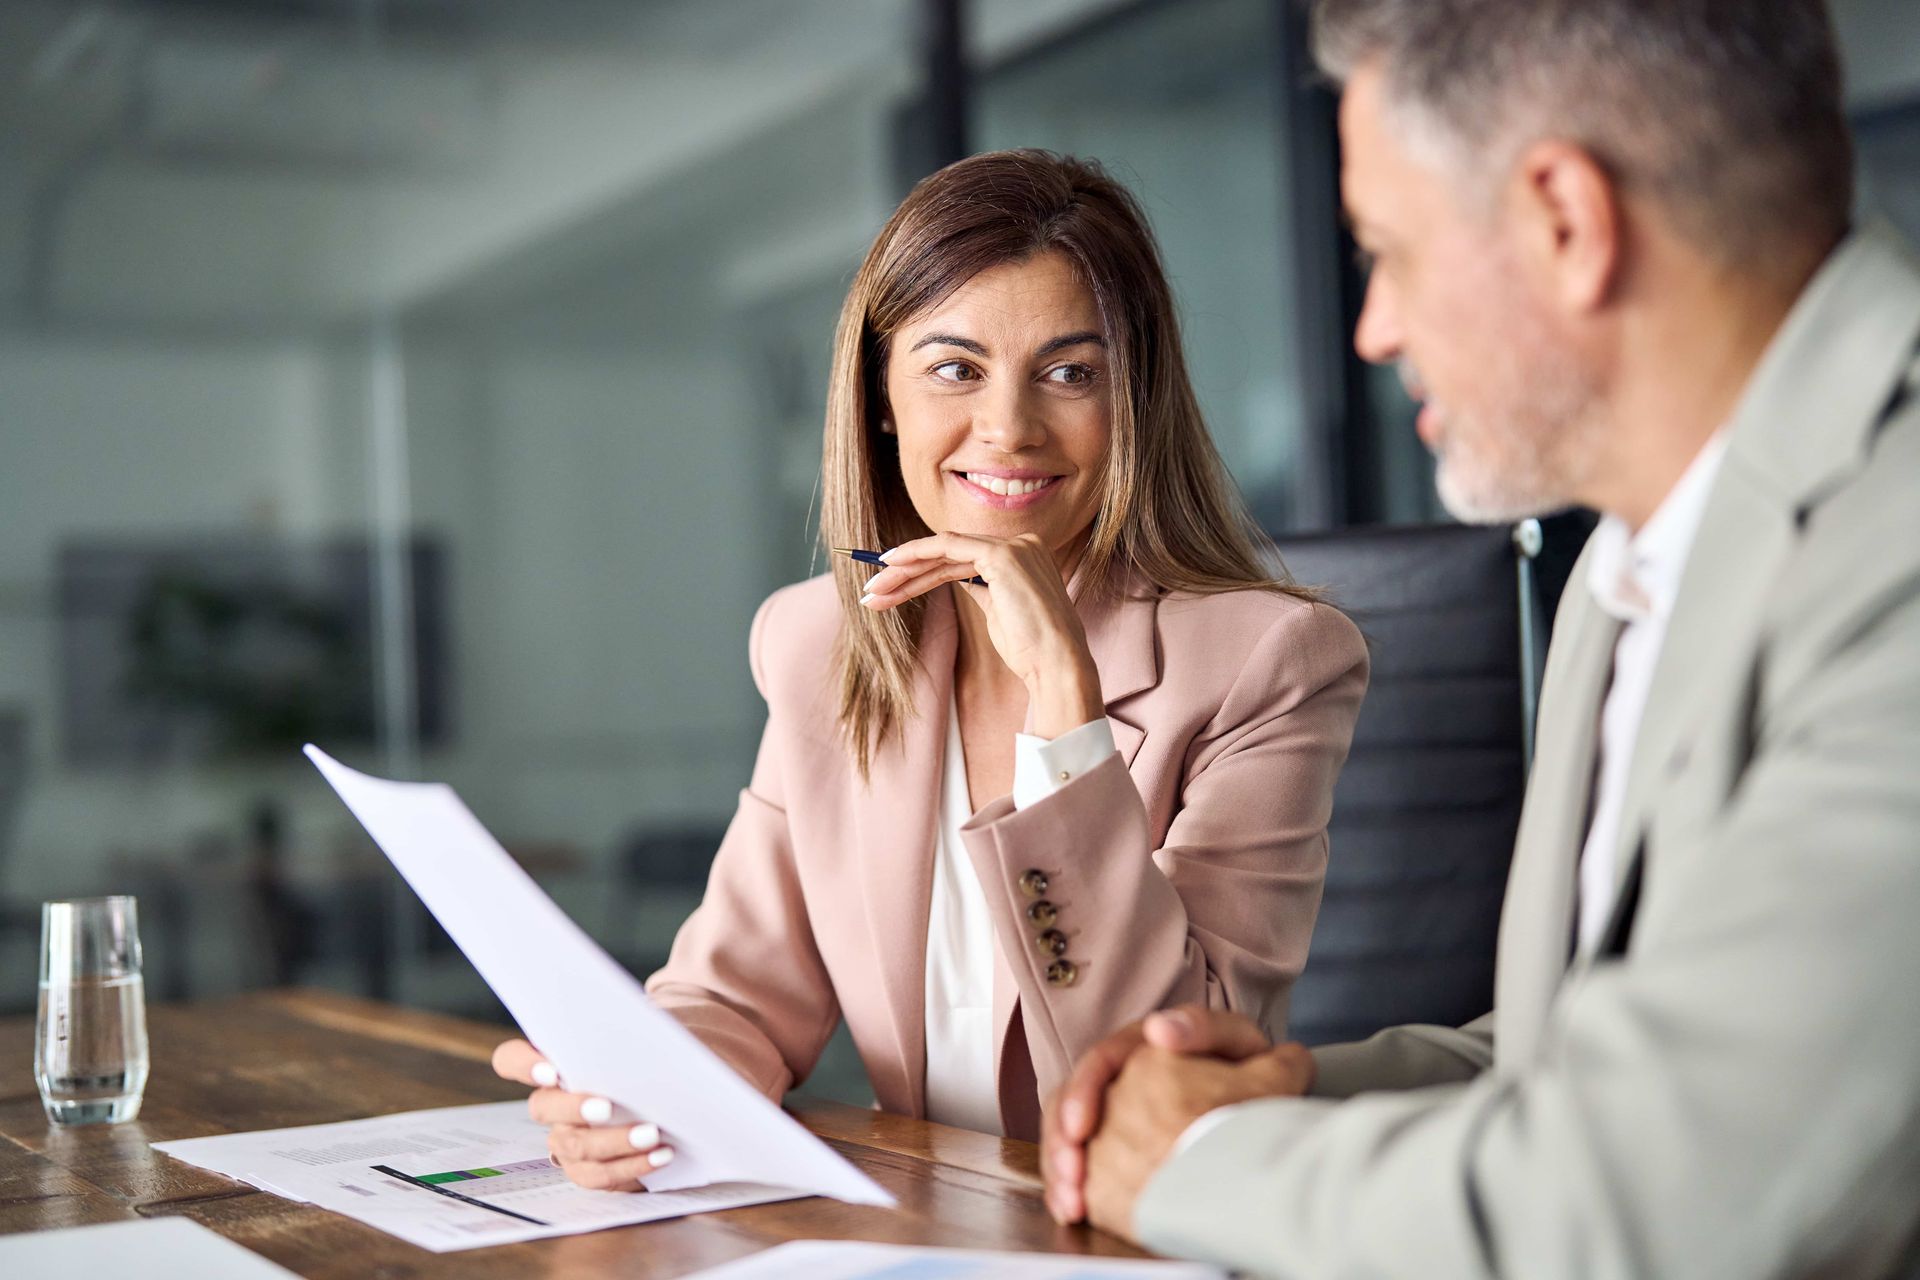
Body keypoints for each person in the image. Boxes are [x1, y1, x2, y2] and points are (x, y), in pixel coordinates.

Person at [1040, 1, 1920, 1275]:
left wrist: (1199, 1163)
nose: (1373, 331)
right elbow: (1574, 1055)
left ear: (1567, 221)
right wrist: (1287, 1095)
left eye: (1388, 253)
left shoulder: (1891, 558)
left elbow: (1661, 1196)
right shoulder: (1630, 565)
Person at [492, 149, 1369, 1187]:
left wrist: (1067, 713)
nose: (1008, 428)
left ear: (1133, 401)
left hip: (1148, 1226)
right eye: (955, 368)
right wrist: (643, 1088)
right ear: (881, 400)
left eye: (1070, 372)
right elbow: (736, 994)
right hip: (923, 1222)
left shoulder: (1268, 661)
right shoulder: (821, 642)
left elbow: (1176, 1068)